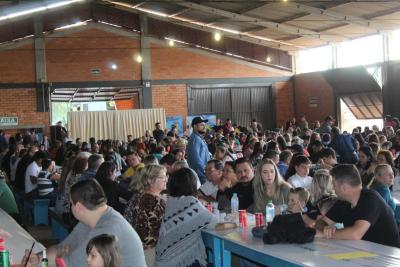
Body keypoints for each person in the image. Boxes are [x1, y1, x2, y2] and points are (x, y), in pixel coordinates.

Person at [22, 179, 146, 267]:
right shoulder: (91, 219)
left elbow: (69, 264)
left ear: (79, 207)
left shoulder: (107, 229)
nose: (70, 207)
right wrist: (38, 258)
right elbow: (63, 248)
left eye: (71, 203)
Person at [316, 164, 400, 247]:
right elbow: (321, 222)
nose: (333, 189)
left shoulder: (371, 199)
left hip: (388, 254)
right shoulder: (344, 201)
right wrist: (325, 228)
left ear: (344, 188)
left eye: (334, 185)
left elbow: (355, 234)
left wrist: (325, 234)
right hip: (362, 251)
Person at [154, 168, 217, 267]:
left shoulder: (171, 201)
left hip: (163, 260)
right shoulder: (191, 203)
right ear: (192, 184)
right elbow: (213, 223)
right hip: (181, 262)